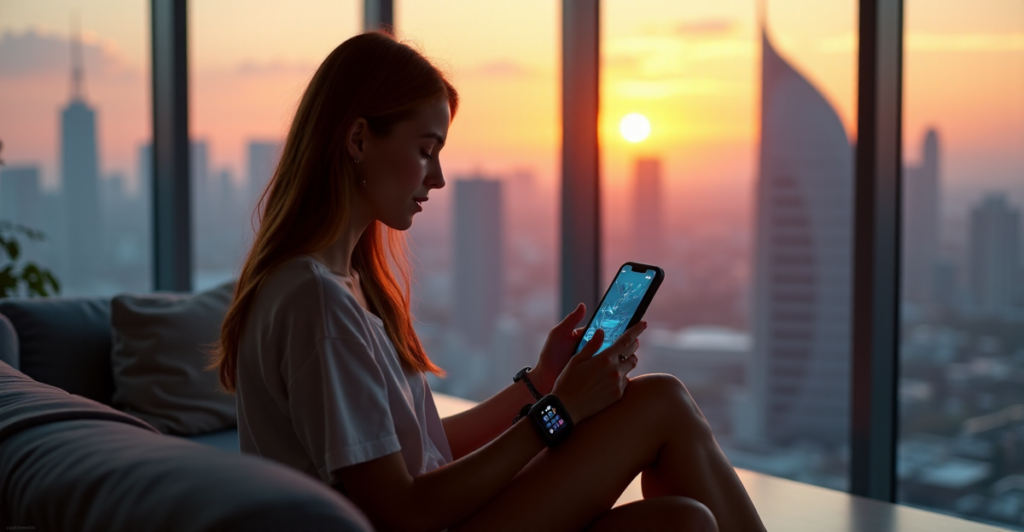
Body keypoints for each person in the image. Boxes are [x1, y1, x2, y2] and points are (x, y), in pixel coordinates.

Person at [207, 31, 766, 532]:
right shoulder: (317, 303)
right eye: (425, 150)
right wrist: (558, 411)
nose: (439, 177)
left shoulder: (334, 284)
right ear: (358, 140)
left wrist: (542, 382)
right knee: (660, 401)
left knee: (683, 523)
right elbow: (401, 512)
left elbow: (422, 453)